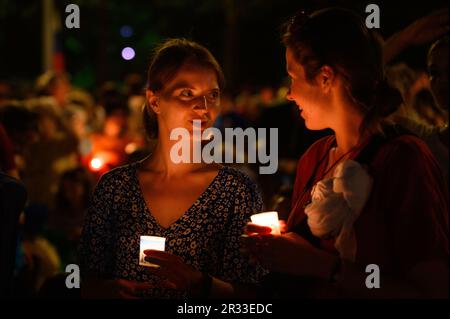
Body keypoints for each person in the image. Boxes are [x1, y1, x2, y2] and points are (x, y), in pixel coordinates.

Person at [242, 8, 449, 298]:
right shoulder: (314, 158)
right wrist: (281, 244)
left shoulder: (404, 159)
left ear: (326, 77)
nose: (289, 93)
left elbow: (432, 292)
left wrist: (326, 267)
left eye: (293, 77)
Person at [79, 38, 267, 299]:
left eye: (212, 95)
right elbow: (85, 282)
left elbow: (254, 298)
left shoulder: (236, 191)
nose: (204, 107)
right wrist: (107, 291)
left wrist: (200, 284)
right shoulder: (115, 188)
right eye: (187, 93)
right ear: (155, 101)